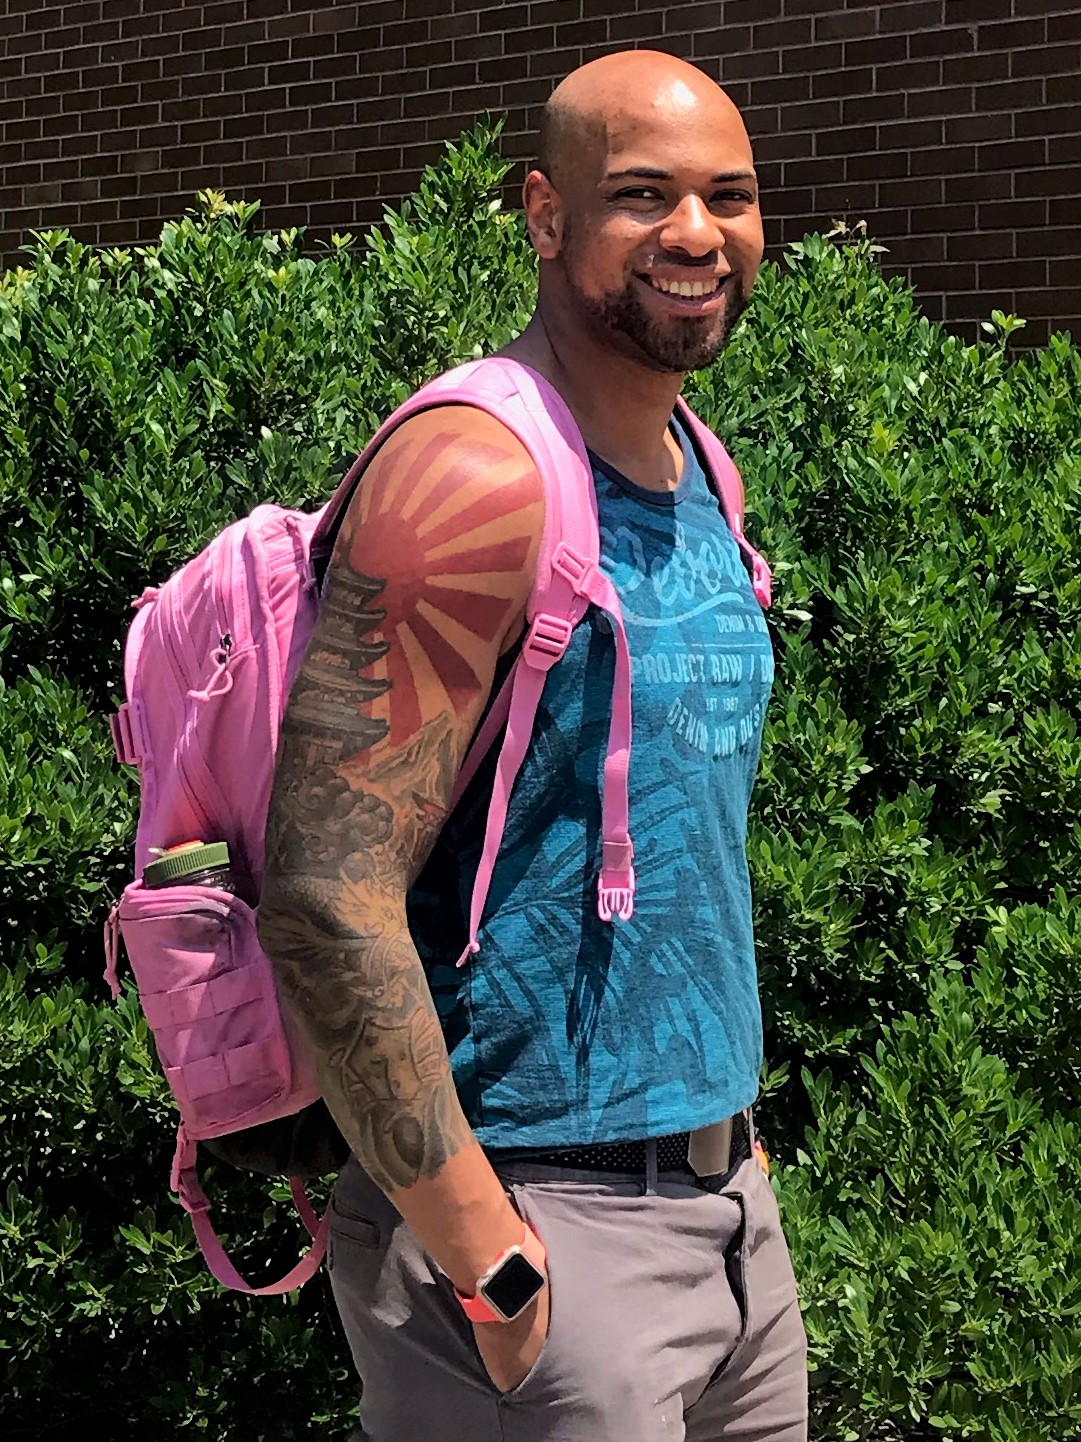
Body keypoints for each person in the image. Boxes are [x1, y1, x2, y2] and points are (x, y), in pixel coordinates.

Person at [258, 48, 808, 1442]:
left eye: (727, 197)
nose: (695, 233)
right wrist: (479, 1251)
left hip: (726, 1216)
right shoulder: (471, 478)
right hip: (536, 1225)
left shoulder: (699, 468)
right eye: (641, 194)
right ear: (543, 215)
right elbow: (325, 893)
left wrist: (736, 1180)